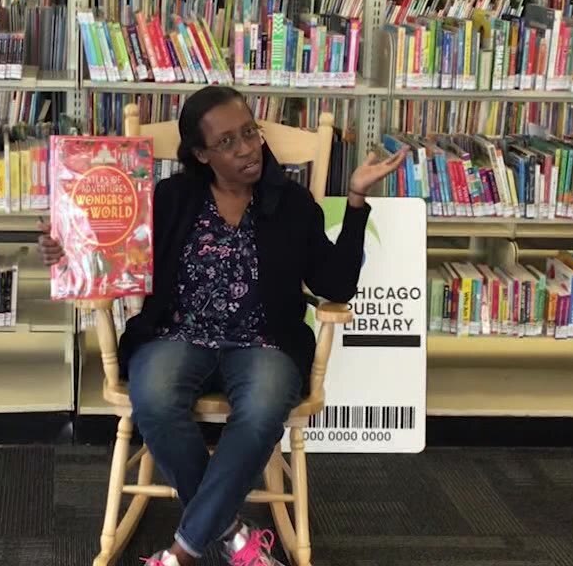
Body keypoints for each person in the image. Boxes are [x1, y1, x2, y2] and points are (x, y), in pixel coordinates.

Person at [38, 86, 408, 566]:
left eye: (250, 133)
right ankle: (232, 534)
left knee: (263, 409)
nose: (247, 148)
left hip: (264, 343)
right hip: (176, 334)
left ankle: (183, 551)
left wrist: (356, 200)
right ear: (201, 154)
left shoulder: (292, 204)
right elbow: (112, 255)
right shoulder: (171, 198)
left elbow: (336, 284)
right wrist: (67, 249)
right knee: (154, 400)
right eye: (227, 142)